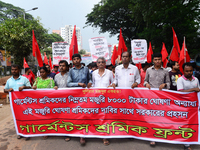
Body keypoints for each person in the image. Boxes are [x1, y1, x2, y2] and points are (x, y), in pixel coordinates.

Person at [144, 53, 170, 146]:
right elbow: (145, 81)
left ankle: (159, 134)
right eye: (155, 59)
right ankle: (152, 137)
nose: (157, 61)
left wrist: (165, 85)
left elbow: (168, 83)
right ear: (153, 60)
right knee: (151, 117)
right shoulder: (148, 70)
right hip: (150, 97)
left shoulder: (165, 71)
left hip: (161, 98)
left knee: (159, 117)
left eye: (159, 59)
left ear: (161, 60)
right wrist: (146, 84)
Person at [67, 53, 92, 146]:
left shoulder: (86, 69)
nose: (76, 60)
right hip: (74, 96)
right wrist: (79, 84)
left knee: (84, 114)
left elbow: (90, 79)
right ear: (72, 61)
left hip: (85, 95)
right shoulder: (71, 71)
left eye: (78, 59)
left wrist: (89, 83)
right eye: (74, 59)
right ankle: (74, 131)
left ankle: (82, 135)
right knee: (76, 114)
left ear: (81, 60)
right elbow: (68, 83)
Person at [4, 64, 31, 140]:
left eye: (15, 69)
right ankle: (19, 133)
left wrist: (24, 87)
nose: (14, 71)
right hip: (14, 103)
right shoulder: (9, 80)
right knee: (17, 118)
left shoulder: (24, 79)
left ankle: (27, 133)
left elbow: (30, 88)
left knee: (26, 117)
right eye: (12, 69)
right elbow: (5, 90)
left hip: (24, 102)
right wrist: (8, 90)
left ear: (19, 70)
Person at [177, 62, 200, 150]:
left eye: (190, 71)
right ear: (183, 71)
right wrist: (193, 89)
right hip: (184, 107)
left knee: (193, 124)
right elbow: (180, 92)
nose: (189, 73)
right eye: (187, 71)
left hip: (194, 107)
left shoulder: (196, 80)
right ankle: (186, 144)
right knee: (185, 125)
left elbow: (199, 92)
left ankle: (193, 139)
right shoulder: (180, 80)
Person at [92, 57, 114, 145]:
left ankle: (105, 135)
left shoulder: (109, 73)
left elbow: (114, 81)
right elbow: (93, 84)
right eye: (99, 62)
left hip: (107, 97)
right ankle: (97, 132)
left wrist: (112, 85)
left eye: (102, 62)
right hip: (96, 98)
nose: (101, 63)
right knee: (97, 116)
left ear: (105, 63)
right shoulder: (93, 73)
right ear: (97, 64)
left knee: (105, 116)